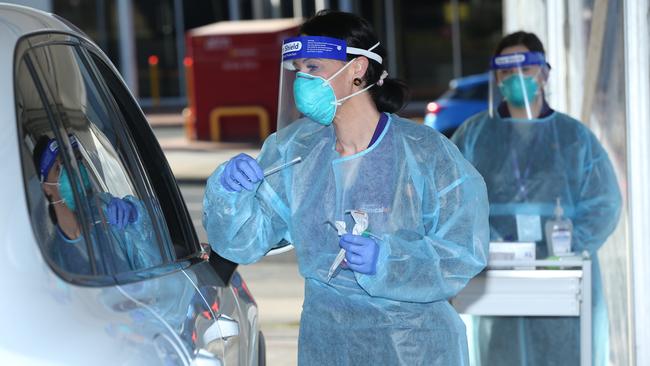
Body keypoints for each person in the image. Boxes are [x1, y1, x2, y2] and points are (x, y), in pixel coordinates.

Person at [203, 10, 489, 365]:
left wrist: (389, 261)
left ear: (356, 68)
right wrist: (230, 194)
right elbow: (243, 242)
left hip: (414, 346)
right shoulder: (296, 152)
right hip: (328, 343)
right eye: (298, 71)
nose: (302, 81)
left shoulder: (424, 152)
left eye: (314, 68)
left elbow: (462, 251)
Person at [451, 31, 622, 366]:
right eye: (507, 72)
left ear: (543, 73)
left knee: (564, 353)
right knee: (498, 354)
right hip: (493, 274)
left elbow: (605, 203)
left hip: (563, 272)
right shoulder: (473, 136)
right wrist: (482, 242)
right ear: (497, 78)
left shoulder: (574, 138)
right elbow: (452, 200)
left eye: (525, 70)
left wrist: (566, 246)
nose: (516, 79)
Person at [34, 135, 162, 273]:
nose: (72, 171)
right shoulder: (53, 259)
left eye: (76, 159)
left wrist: (136, 216)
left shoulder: (106, 210)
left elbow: (152, 267)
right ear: (46, 188)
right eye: (59, 169)